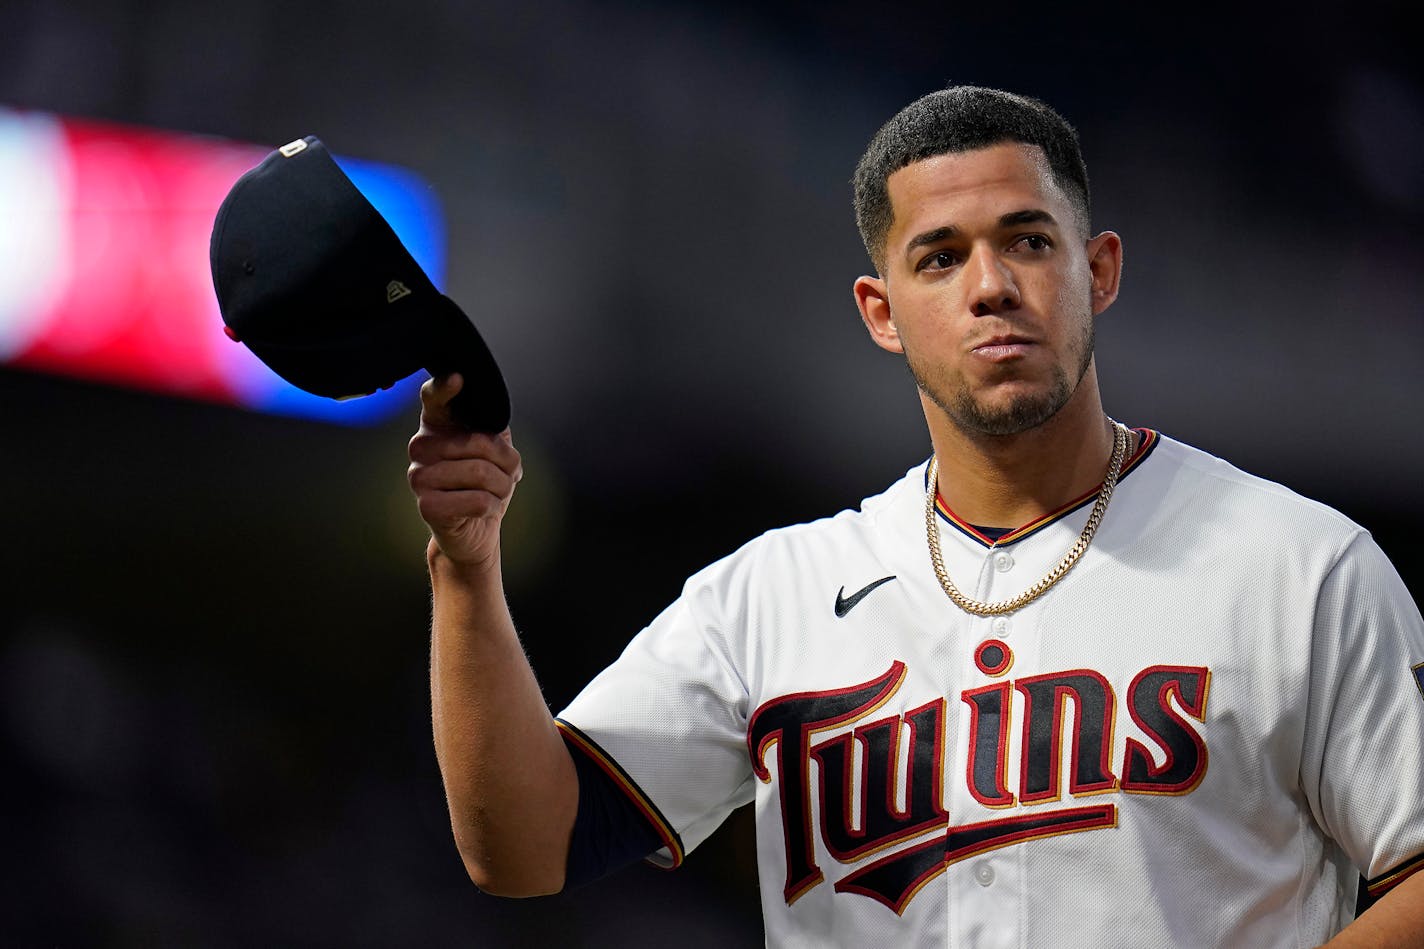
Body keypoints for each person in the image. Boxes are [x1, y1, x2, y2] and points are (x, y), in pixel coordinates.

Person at [405, 86, 1424, 946]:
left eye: (1026, 240)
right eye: (938, 257)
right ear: (879, 311)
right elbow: (525, 844)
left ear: (1097, 270)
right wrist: (465, 567)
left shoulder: (1299, 566)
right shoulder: (769, 596)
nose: (990, 287)